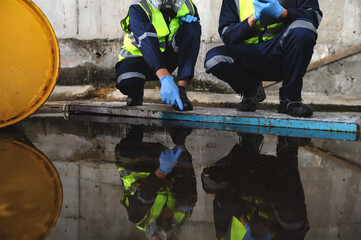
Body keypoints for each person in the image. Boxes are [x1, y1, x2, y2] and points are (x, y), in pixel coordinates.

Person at [204, 0, 322, 117]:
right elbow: (227, 36)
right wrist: (253, 18)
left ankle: (290, 99)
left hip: (283, 55)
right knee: (213, 59)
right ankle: (252, 90)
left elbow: (314, 17)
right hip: (249, 56)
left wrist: (283, 13)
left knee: (304, 29)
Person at [201, 133, 311, 239]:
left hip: (251, 178)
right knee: (292, 218)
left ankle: (249, 143)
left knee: (210, 181)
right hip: (277, 187)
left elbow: (221, 202)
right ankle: (288, 146)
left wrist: (244, 220)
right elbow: (297, 229)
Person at [115, 0, 201, 111]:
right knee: (128, 82)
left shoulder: (188, 6)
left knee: (192, 28)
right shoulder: (139, 8)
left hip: (166, 59)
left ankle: (181, 91)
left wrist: (186, 27)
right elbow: (147, 43)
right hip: (137, 59)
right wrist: (165, 78)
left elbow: (190, 42)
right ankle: (135, 93)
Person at [115, 125, 197, 239]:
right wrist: (181, 149)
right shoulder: (182, 217)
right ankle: (178, 137)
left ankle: (135, 131)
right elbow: (188, 179)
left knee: (125, 151)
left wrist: (163, 170)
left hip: (138, 167)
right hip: (166, 164)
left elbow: (146, 190)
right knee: (188, 195)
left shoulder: (139, 218)